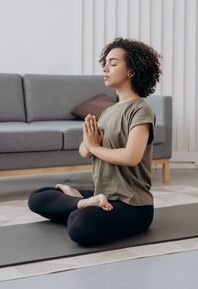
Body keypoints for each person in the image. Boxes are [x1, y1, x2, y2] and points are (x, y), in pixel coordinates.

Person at [28, 37, 162, 246]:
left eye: (113, 63)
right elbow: (85, 150)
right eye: (105, 63)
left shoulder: (141, 110)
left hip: (132, 205)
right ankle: (84, 202)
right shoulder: (108, 111)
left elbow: (131, 156)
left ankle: (79, 206)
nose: (105, 68)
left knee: (80, 226)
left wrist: (95, 147)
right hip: (104, 194)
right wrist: (91, 145)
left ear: (132, 71)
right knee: (38, 197)